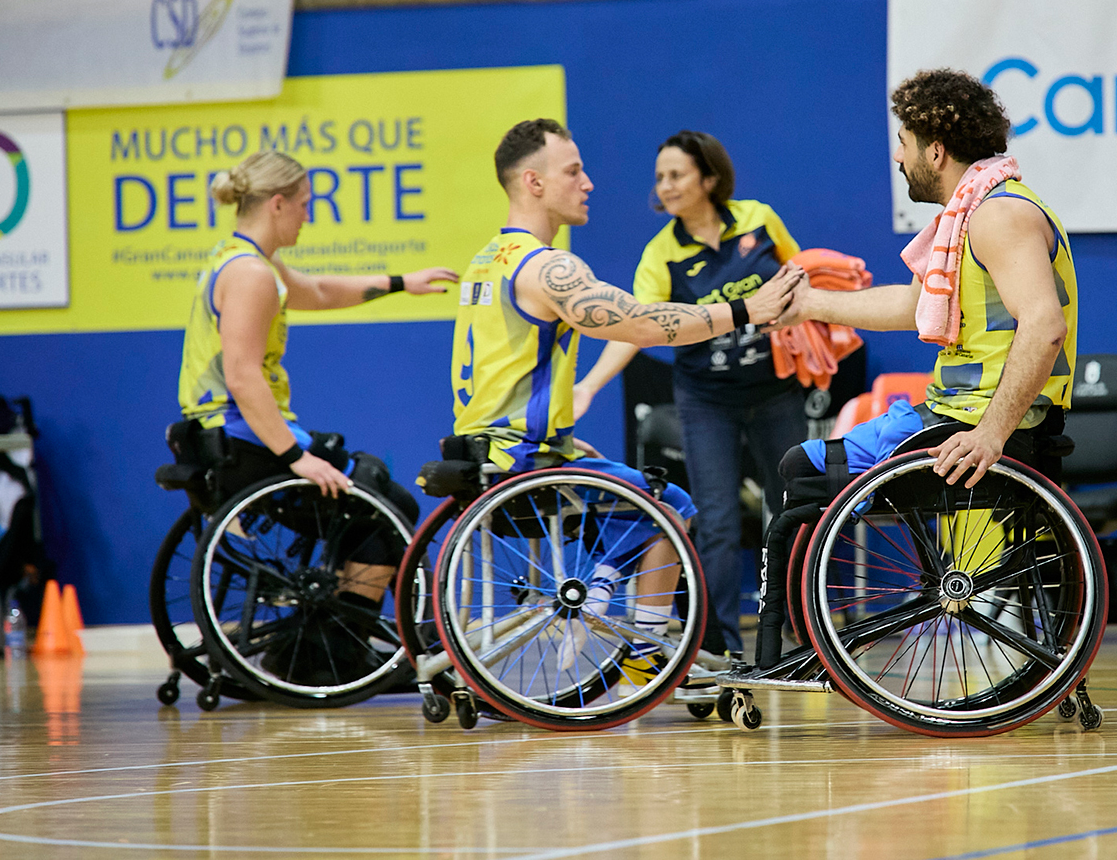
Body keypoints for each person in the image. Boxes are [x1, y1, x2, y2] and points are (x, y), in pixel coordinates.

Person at [450, 118, 802, 672]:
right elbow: (641, 323)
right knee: (672, 506)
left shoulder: (486, 259)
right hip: (520, 457)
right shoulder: (549, 267)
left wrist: (563, 437)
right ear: (534, 183)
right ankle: (645, 654)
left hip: (486, 448)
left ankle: (606, 594)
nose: (588, 182)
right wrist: (743, 311)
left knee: (642, 496)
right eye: (573, 171)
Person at [760, 68, 1076, 663]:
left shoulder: (997, 216)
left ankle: (800, 648)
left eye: (903, 143)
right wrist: (808, 305)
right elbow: (912, 306)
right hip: (959, 415)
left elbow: (1044, 325)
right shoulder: (974, 213)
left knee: (802, 468)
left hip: (976, 425)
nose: (898, 158)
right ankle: (813, 643)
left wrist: (991, 434)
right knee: (804, 467)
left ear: (936, 150)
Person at [177, 149, 457, 679]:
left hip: (226, 436)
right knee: (387, 506)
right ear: (278, 204)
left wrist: (401, 282)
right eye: (305, 204)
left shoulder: (241, 259)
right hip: (242, 441)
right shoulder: (251, 275)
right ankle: (334, 651)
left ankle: (328, 640)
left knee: (373, 492)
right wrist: (295, 457)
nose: (309, 215)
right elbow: (242, 376)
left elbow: (320, 290)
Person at [571, 131, 808, 657]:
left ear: (709, 177)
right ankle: (720, 648)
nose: (665, 186)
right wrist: (588, 385)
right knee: (716, 520)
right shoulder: (661, 254)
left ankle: (804, 628)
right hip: (707, 401)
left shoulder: (758, 219)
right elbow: (636, 328)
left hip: (777, 391)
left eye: (676, 174)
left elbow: (801, 276)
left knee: (795, 508)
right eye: (660, 177)